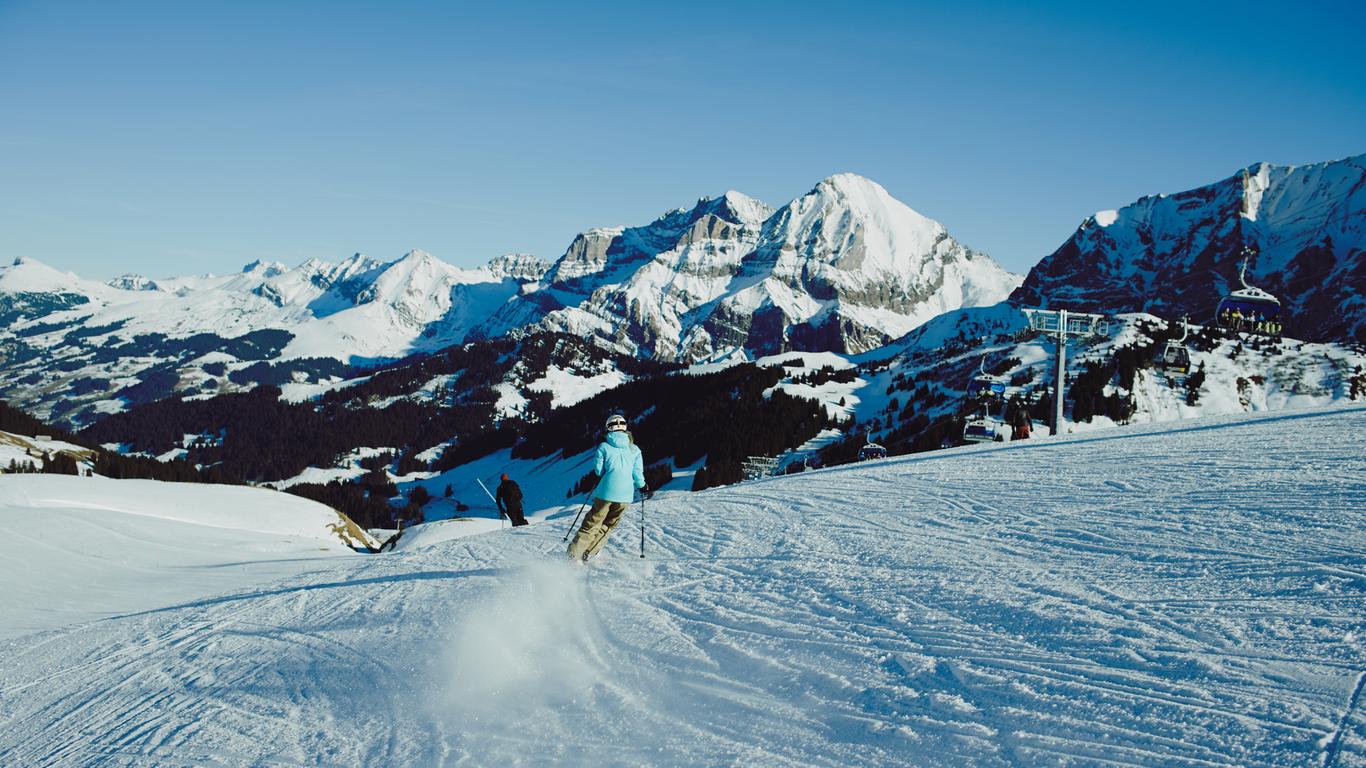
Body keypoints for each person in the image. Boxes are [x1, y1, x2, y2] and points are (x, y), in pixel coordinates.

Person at [567, 413, 647, 562]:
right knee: (609, 525)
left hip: (606, 491)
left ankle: (573, 555)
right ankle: (589, 553)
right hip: (625, 495)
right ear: (625, 428)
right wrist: (642, 486)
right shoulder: (635, 450)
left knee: (593, 522)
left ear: (608, 428)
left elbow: (599, 471)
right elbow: (637, 474)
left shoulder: (604, 446)